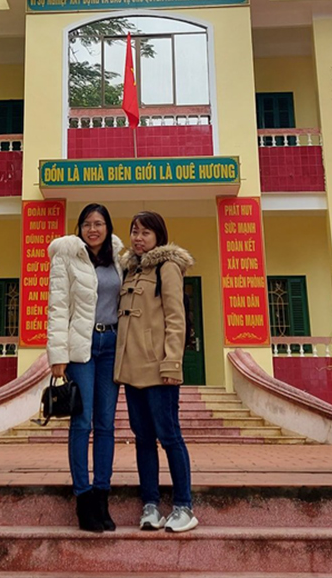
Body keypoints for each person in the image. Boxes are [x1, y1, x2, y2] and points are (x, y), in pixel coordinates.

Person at [114, 210, 198, 534]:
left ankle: (184, 506)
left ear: (158, 236)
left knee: (169, 435)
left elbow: (176, 318)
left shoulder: (168, 267)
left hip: (159, 369)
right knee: (143, 439)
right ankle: (150, 505)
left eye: (145, 232)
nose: (138, 238)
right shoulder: (130, 270)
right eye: (135, 231)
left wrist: (172, 363)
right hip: (132, 369)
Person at [47, 203, 123, 533]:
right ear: (79, 228)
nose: (93, 229)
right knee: (82, 422)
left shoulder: (117, 257)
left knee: (106, 424)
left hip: (112, 346)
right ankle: (83, 497)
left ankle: (102, 495)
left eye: (99, 223)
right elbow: (57, 306)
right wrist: (57, 355)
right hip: (82, 347)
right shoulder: (66, 255)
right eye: (87, 224)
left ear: (108, 227)